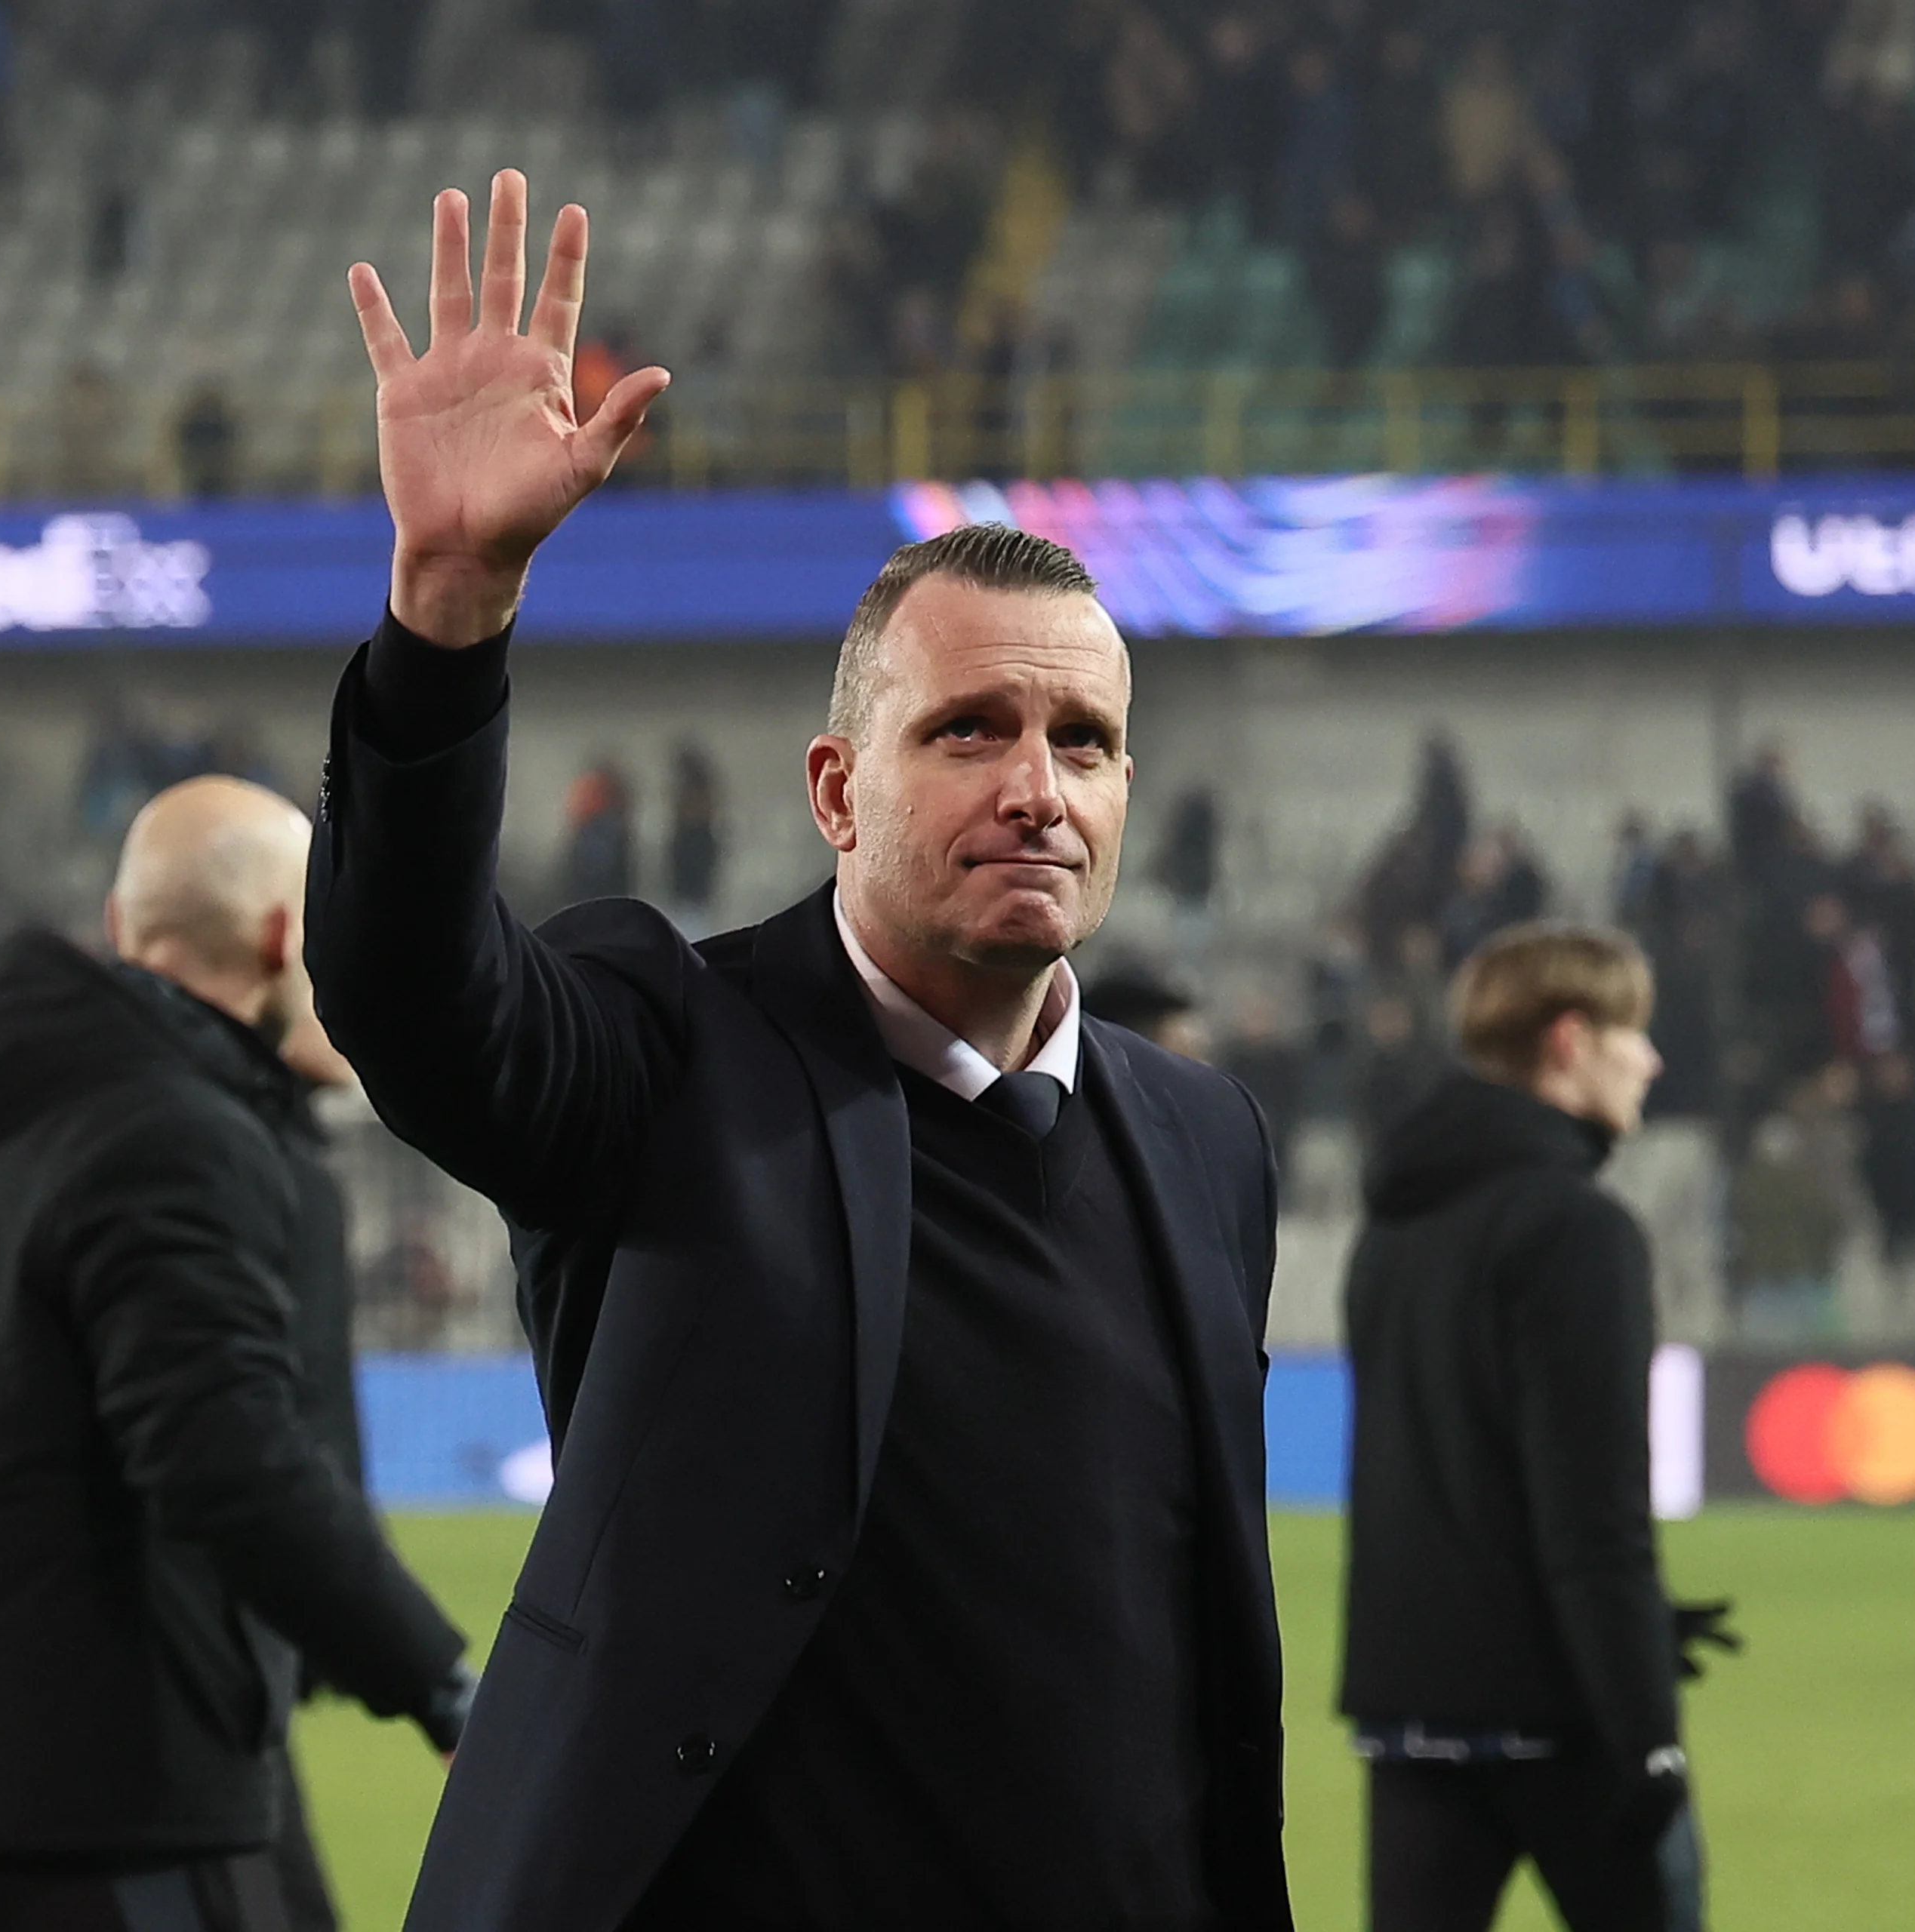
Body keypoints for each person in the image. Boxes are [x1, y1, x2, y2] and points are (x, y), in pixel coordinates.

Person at [312, 174, 1289, 1931]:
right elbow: (413, 1002)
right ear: (837, 788)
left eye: (1084, 738)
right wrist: (446, 621)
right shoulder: (670, 1046)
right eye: (969, 728)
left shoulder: (1203, 1138)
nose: (1036, 785)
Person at [0, 777, 475, 1932]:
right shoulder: (172, 1135)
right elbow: (224, 1453)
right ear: (290, 937)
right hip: (109, 1777)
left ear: (128, 929)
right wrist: (437, 1681)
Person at [1338, 922, 1732, 1932]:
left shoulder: (1394, 1229)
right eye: (1631, 1033)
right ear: (1569, 1041)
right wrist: (1648, 1726)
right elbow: (1590, 1512)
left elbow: (1440, 1485)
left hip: (1411, 1713)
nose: (1650, 1059)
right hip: (1564, 1725)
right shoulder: (1577, 1230)